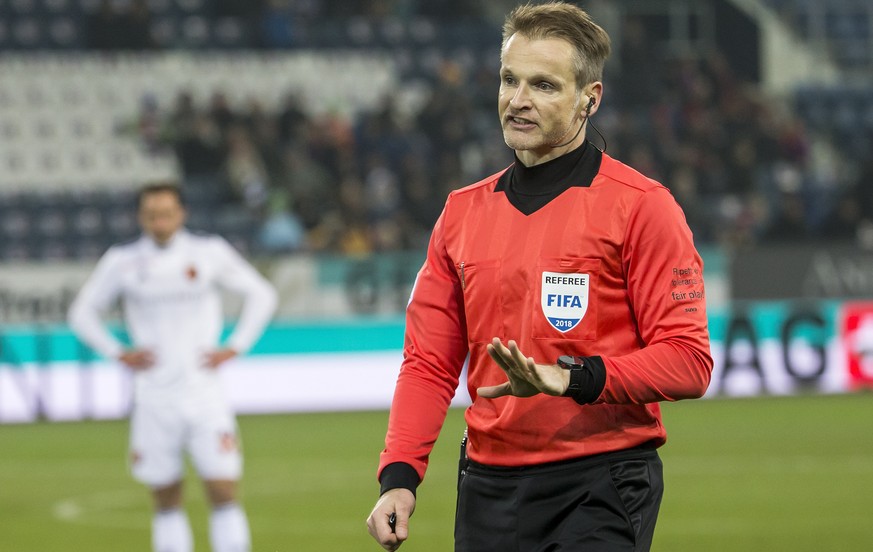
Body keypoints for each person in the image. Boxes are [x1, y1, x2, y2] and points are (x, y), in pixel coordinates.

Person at [366, 3, 713, 551]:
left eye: (544, 85)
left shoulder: (643, 208)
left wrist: (575, 377)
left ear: (589, 99)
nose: (518, 100)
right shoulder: (460, 214)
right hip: (487, 486)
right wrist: (399, 477)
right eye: (510, 79)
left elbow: (689, 361)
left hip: (601, 480)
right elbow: (429, 364)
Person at [68, 182, 278, 552]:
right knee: (165, 498)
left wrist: (236, 346)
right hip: (153, 398)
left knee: (223, 488)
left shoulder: (208, 252)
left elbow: (262, 294)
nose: (159, 221)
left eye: (166, 213)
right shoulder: (123, 260)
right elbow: (81, 313)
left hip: (205, 394)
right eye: (151, 214)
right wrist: (118, 352)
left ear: (181, 214)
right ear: (141, 217)